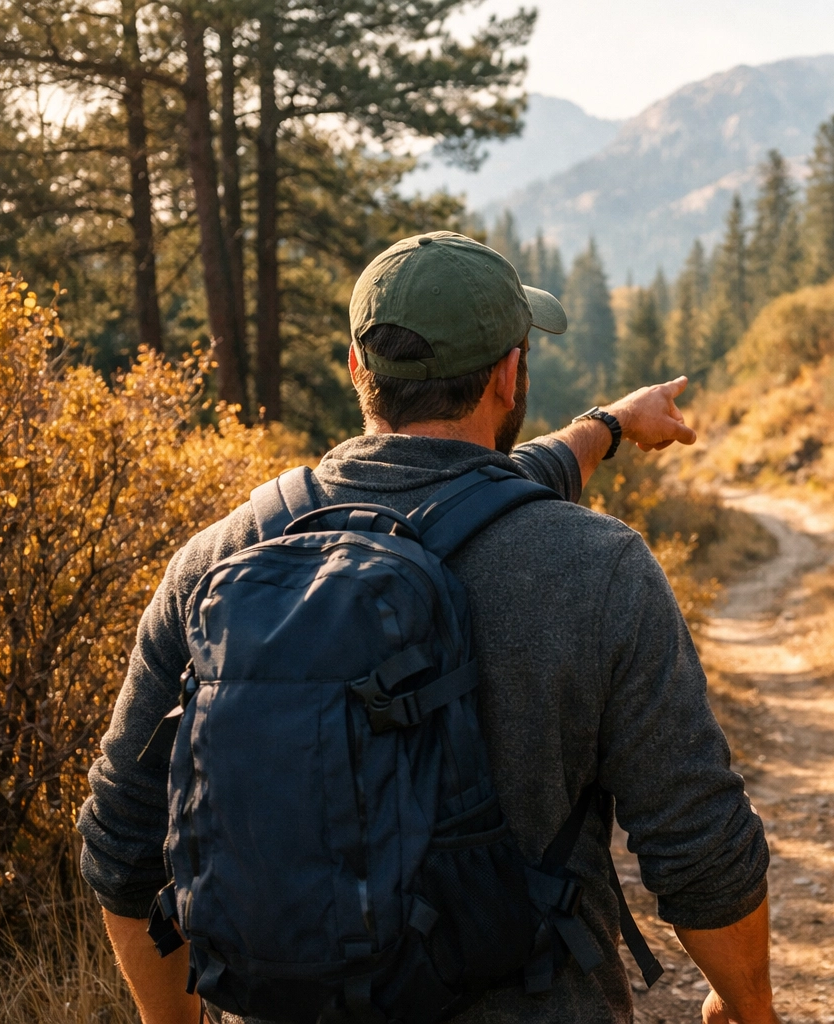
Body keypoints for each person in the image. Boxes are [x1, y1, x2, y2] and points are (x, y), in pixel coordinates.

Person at [77, 231, 780, 1024]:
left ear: (356, 367)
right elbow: (699, 844)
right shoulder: (596, 567)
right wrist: (747, 1007)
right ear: (511, 375)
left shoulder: (217, 560)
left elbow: (121, 843)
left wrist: (608, 425)